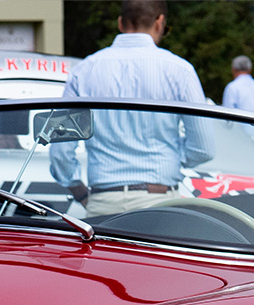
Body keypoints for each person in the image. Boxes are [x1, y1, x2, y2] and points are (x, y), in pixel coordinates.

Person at [49, 0, 212, 216]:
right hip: (159, 201)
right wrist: (168, 156)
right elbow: (204, 148)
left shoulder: (84, 70)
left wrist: (80, 192)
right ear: (160, 22)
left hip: (103, 200)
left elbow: (59, 148)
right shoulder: (180, 70)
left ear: (120, 23)